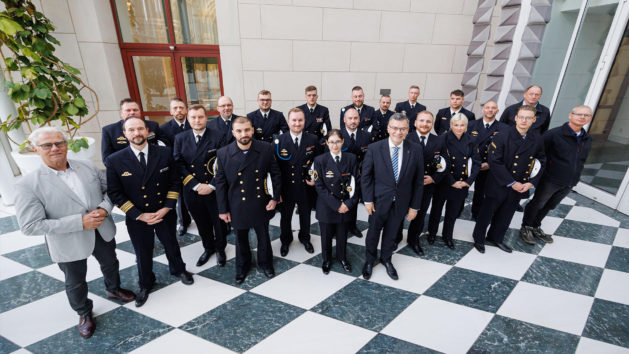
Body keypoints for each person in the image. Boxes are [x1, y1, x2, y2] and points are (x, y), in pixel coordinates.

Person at [15, 127, 135, 338]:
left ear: (66, 144)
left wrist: (104, 209)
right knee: (75, 280)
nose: (55, 148)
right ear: (36, 149)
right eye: (47, 145)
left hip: (102, 230)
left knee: (110, 262)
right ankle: (84, 312)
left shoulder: (87, 166)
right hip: (68, 241)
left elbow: (110, 191)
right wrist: (79, 222)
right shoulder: (28, 184)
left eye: (59, 142)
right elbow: (30, 225)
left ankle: (113, 289)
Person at [106, 116, 194, 307]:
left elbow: (174, 182)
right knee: (142, 251)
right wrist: (138, 214)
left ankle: (179, 270)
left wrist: (166, 208)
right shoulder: (114, 160)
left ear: (147, 131)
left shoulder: (165, 153)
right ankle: (146, 283)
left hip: (164, 212)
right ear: (125, 133)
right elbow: (115, 192)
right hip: (137, 216)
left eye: (140, 129)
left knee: (171, 243)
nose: (137, 133)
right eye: (131, 130)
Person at [215, 116, 282, 284]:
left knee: (263, 236)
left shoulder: (265, 148)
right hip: (237, 204)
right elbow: (221, 184)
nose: (243, 134)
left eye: (246, 130)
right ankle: (242, 267)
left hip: (261, 202)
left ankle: (266, 263)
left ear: (252, 130)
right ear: (233, 133)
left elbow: (275, 175)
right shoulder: (223, 153)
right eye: (239, 131)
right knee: (240, 239)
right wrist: (223, 210)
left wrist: (274, 198)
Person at [472, 105, 546, 253]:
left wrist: (530, 182)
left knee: (506, 215)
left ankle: (496, 237)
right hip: (499, 183)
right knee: (487, 213)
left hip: (520, 186)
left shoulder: (536, 139)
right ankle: (479, 239)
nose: (524, 121)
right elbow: (494, 161)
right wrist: (512, 182)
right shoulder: (502, 136)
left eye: (528, 118)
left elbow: (541, 161)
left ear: (534, 120)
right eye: (521, 117)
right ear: (516, 118)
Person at [361, 113, 424, 280]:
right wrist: (367, 200)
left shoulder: (415, 149)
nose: (398, 132)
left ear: (408, 130)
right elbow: (366, 177)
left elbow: (418, 181)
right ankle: (369, 260)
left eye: (402, 129)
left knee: (392, 233)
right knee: (373, 232)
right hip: (378, 202)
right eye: (395, 128)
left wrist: (414, 206)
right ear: (388, 128)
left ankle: (387, 259)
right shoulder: (375, 148)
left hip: (401, 202)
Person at [521, 105, 593, 244]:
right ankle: (526, 227)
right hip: (550, 179)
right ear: (570, 115)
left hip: (569, 181)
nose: (582, 117)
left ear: (589, 118)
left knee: (550, 205)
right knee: (538, 203)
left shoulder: (587, 138)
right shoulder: (553, 134)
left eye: (586, 115)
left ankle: (536, 225)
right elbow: (539, 155)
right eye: (579, 114)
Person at [173, 104, 228, 267]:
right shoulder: (180, 138)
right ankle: (208, 248)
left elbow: (224, 163)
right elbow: (178, 164)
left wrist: (211, 185)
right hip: (192, 190)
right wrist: (196, 185)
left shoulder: (219, 136)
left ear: (206, 118)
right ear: (188, 119)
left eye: (200, 117)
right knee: (201, 222)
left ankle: (220, 249)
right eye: (193, 117)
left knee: (219, 223)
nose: (197, 120)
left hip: (214, 189)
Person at [427, 113, 481, 249]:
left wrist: (468, 181)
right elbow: (438, 162)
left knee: (453, 213)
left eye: (462, 125)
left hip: (462, 183)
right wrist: (451, 181)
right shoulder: (442, 139)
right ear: (451, 125)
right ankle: (432, 233)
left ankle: (447, 236)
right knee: (436, 210)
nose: (459, 128)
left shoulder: (471, 140)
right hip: (444, 182)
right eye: (456, 125)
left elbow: (476, 163)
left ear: (466, 126)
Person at [274, 108, 321, 257]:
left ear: (304, 121)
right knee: (285, 217)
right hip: (286, 187)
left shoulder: (312, 139)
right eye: (293, 120)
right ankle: (285, 241)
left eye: (300, 120)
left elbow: (319, 162)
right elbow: (273, 168)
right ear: (288, 122)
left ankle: (305, 238)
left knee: (305, 215)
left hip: (305, 186)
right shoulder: (278, 141)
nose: (297, 123)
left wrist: (315, 178)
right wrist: (276, 192)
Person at [314, 130, 360, 274]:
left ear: (343, 142)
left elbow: (356, 183)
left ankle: (342, 258)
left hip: (346, 205)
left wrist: (348, 204)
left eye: (338, 141)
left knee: (342, 235)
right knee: (326, 236)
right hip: (328, 206)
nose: (335, 145)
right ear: (327, 143)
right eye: (332, 142)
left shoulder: (351, 158)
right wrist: (336, 205)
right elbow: (319, 186)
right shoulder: (320, 160)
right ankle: (326, 260)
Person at [403, 111, 447, 255]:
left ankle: (413, 240)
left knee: (420, 215)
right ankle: (395, 237)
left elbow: (446, 163)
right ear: (415, 123)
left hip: (426, 186)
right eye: (421, 120)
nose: (424, 124)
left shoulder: (439, 141)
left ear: (432, 124)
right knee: (399, 213)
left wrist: (434, 178)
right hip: (405, 185)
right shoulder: (405, 138)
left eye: (428, 121)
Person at [467, 100, 508, 220]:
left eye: (493, 108)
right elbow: (465, 145)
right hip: (471, 164)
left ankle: (476, 213)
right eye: (487, 107)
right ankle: (457, 210)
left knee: (481, 191)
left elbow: (504, 150)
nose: (490, 110)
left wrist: (489, 164)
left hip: (488, 166)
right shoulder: (471, 125)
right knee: (462, 189)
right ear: (483, 110)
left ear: (497, 111)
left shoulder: (504, 128)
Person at [160, 97, 192, 235]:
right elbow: (167, 151)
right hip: (177, 168)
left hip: (195, 166)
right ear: (171, 112)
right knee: (181, 197)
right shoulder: (164, 129)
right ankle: (183, 222)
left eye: (181, 107)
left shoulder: (194, 123)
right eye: (175, 108)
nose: (179, 110)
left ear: (186, 110)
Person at [341, 108, 373, 238]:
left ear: (359, 119)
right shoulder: (337, 135)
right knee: (341, 202)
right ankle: (339, 227)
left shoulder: (367, 136)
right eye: (350, 118)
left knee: (354, 202)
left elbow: (369, 157)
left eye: (355, 118)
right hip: (341, 176)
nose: (353, 121)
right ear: (344, 120)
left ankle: (352, 226)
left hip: (359, 175)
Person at [101, 98, 166, 160]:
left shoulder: (153, 125)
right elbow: (107, 158)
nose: (132, 112)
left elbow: (164, 144)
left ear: (140, 112)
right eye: (128, 110)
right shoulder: (109, 131)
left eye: (135, 110)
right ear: (121, 113)